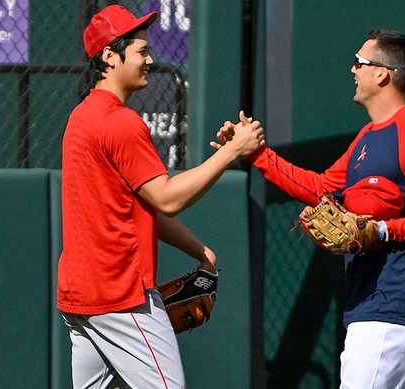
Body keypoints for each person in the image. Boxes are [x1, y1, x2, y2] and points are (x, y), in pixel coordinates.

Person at [214, 28, 405, 388]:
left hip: (392, 303)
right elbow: (321, 187)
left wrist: (386, 230)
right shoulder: (368, 137)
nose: (353, 70)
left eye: (359, 62)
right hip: (371, 302)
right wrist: (257, 154)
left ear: (382, 74)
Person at [57, 5, 264, 389]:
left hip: (80, 297)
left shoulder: (81, 117)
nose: (150, 59)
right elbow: (167, 198)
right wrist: (230, 153)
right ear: (109, 56)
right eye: (141, 51)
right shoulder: (119, 122)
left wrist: (201, 252)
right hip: (121, 296)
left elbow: (143, 206)